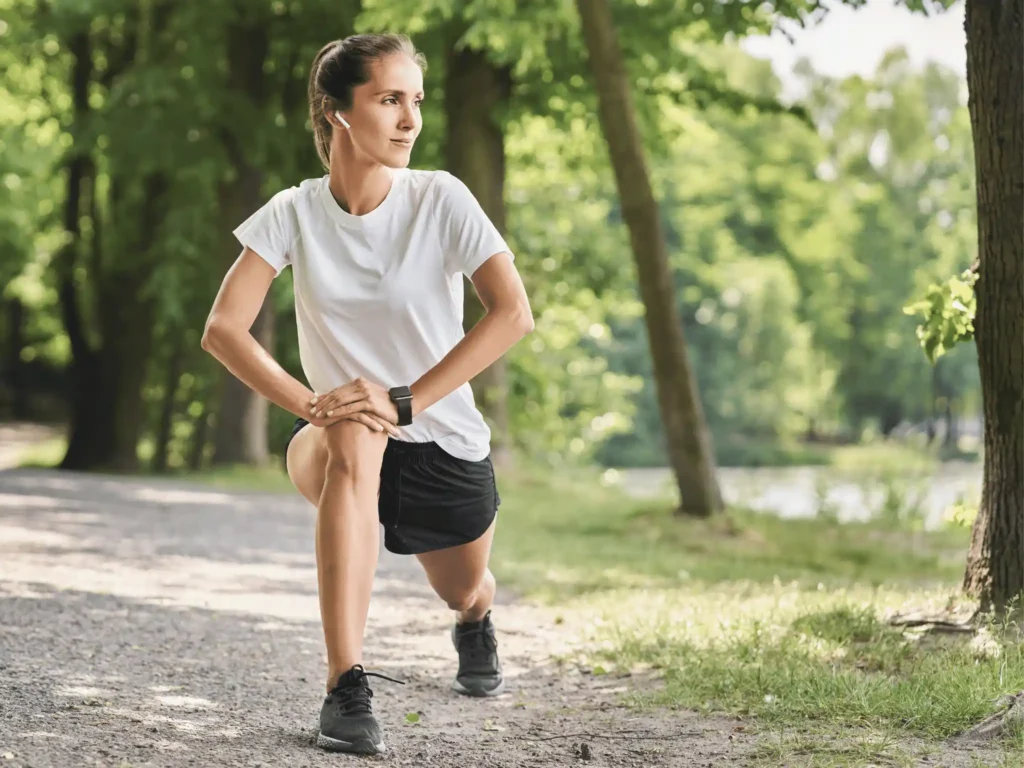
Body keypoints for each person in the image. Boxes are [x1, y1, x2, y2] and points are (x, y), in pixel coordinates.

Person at [200, 32, 533, 755]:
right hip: (335, 442)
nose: (410, 119)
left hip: (441, 441)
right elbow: (224, 328)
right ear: (337, 111)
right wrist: (310, 403)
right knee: (354, 428)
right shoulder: (293, 212)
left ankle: (476, 620)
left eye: (416, 100)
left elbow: (512, 314)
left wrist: (406, 400)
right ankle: (345, 687)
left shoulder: (440, 198)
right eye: (389, 100)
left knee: (461, 587)